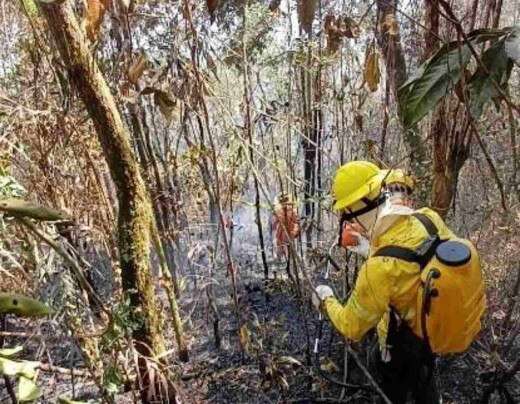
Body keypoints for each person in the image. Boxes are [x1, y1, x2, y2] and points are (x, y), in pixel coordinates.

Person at [312, 161, 485, 404]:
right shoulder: (428, 218)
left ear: (359, 207)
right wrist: (367, 248)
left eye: (347, 212)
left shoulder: (378, 269)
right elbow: (414, 259)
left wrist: (325, 297)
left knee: (394, 392)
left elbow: (352, 326)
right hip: (430, 334)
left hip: (397, 348)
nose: (348, 220)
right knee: (425, 384)